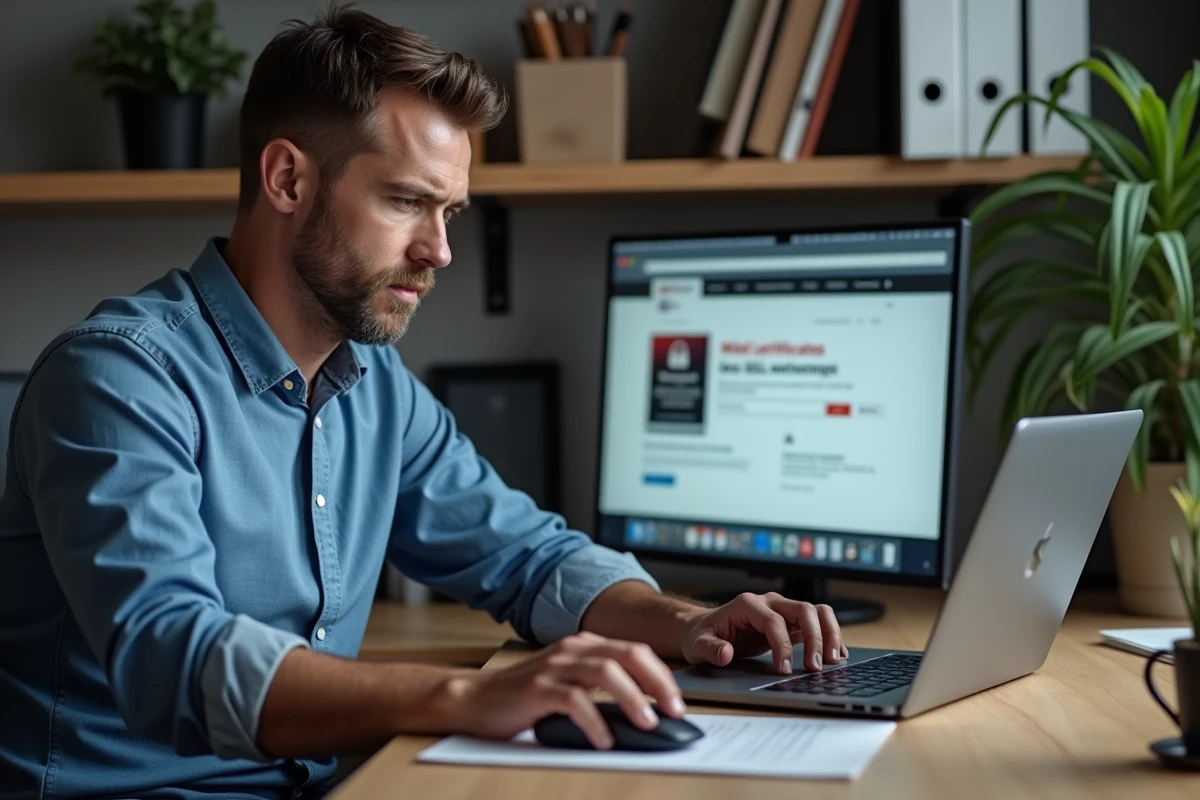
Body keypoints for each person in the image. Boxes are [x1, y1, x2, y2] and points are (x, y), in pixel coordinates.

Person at [0, 6, 845, 798]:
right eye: (406, 201)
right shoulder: (118, 378)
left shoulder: (375, 388)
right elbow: (171, 658)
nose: (438, 250)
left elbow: (530, 559)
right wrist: (468, 698)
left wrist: (691, 622)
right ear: (288, 178)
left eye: (451, 211)